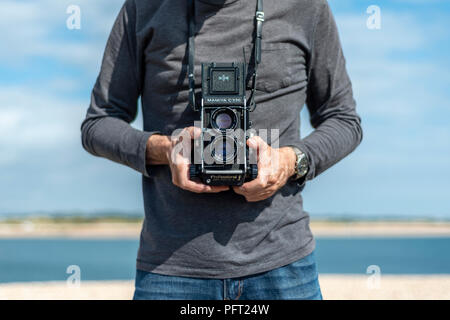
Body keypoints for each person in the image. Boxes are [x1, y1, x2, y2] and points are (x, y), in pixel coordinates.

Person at [81, 0, 362, 300]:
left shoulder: (306, 7)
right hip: (171, 267)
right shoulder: (144, 8)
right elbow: (98, 125)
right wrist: (167, 149)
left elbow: (344, 120)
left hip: (282, 261)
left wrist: (289, 162)